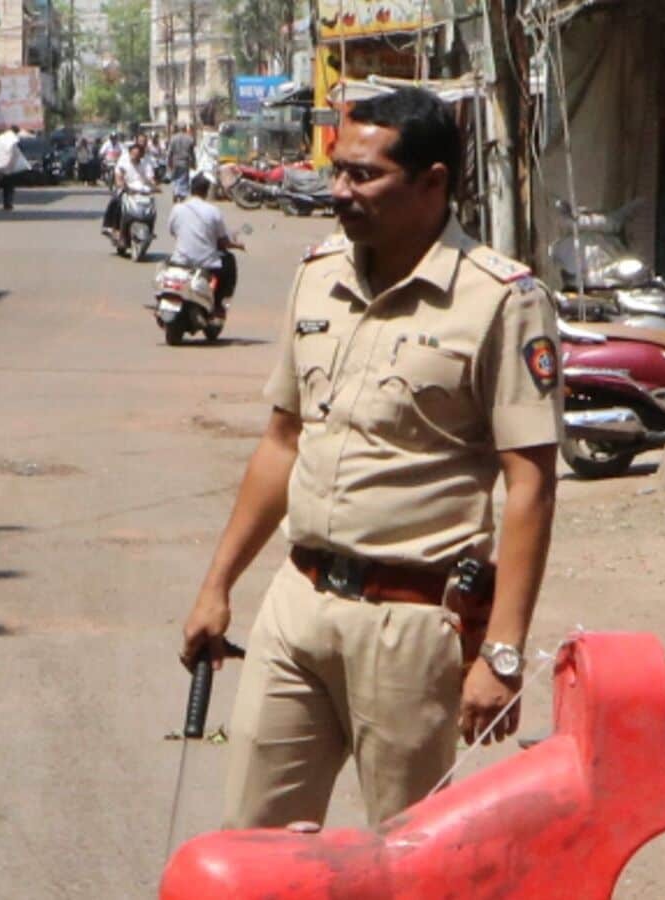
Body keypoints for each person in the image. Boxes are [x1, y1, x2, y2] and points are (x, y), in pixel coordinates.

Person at [179, 87, 561, 829]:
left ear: (433, 183)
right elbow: (282, 441)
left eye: (363, 176)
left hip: (412, 625)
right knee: (255, 844)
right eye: (337, 171)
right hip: (299, 607)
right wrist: (217, 584)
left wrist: (504, 653)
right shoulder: (319, 273)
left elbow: (531, 484)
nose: (339, 192)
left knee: (409, 857)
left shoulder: (500, 300)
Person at [166, 174, 243, 303]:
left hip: (180, 260)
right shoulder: (213, 211)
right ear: (206, 191)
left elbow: (172, 231)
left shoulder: (177, 209)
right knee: (229, 260)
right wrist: (238, 245)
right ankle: (219, 303)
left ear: (191, 188)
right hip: (206, 264)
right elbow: (223, 242)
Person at [103, 142, 156, 235]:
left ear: (142, 155)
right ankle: (113, 227)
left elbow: (150, 178)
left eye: (138, 154)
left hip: (142, 192)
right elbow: (119, 177)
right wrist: (122, 185)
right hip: (127, 190)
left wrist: (155, 186)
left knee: (152, 208)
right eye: (133, 154)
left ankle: (150, 229)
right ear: (130, 153)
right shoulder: (123, 163)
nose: (135, 156)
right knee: (116, 201)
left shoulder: (146, 164)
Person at [166, 125, 198, 201]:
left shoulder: (173, 138)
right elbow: (192, 153)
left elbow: (170, 152)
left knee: (175, 178)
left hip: (175, 162)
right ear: (185, 129)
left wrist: (169, 162)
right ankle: (181, 196)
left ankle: (175, 192)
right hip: (185, 162)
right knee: (183, 180)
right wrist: (194, 163)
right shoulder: (189, 139)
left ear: (179, 128)